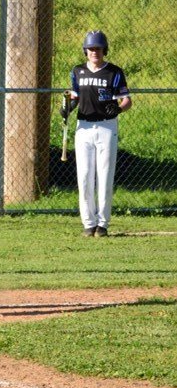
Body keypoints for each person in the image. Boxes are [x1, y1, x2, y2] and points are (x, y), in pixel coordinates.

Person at [61, 30, 131, 237]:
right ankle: (88, 222)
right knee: (84, 176)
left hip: (107, 127)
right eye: (91, 48)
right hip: (83, 127)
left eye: (98, 49)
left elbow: (127, 101)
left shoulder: (114, 72)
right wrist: (67, 107)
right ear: (86, 50)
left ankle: (103, 223)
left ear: (104, 50)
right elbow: (74, 96)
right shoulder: (77, 71)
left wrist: (118, 109)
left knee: (105, 176)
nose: (95, 52)